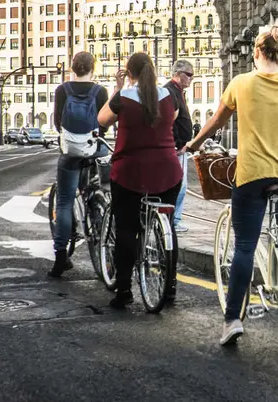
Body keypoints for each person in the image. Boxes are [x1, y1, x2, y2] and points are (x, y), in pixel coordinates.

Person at [185, 22, 278, 345]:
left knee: (244, 246)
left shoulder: (241, 83)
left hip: (254, 172)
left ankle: (231, 320)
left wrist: (195, 143)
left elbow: (216, 121)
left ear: (256, 52)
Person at [97, 52, 182, 309]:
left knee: (126, 230)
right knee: (168, 224)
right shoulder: (168, 96)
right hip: (168, 172)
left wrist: (118, 88)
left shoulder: (123, 98)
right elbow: (174, 117)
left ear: (129, 72)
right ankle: (170, 287)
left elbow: (102, 119)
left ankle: (124, 290)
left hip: (130, 173)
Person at [48, 51, 110, 278]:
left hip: (71, 151)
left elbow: (57, 123)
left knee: (64, 202)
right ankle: (103, 210)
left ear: (73, 68)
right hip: (95, 148)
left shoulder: (62, 90)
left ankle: (60, 258)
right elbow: (105, 124)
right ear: (93, 67)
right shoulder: (100, 91)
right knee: (106, 187)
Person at [163, 60, 194, 233]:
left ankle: (174, 219)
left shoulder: (178, 92)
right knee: (179, 185)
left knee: (181, 184)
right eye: (188, 74)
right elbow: (170, 120)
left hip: (180, 147)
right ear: (177, 73)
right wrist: (176, 145)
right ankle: (173, 221)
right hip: (177, 148)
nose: (191, 78)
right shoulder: (170, 91)